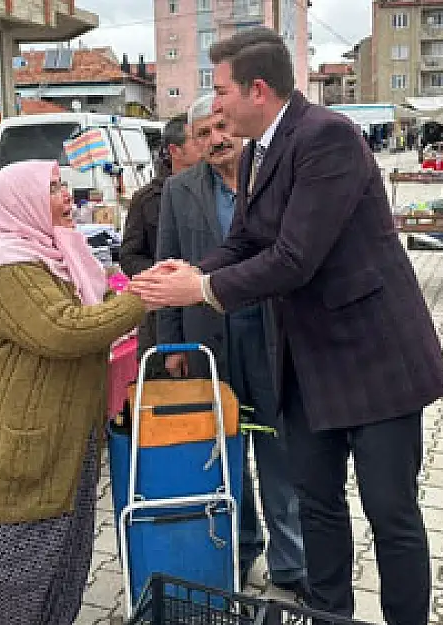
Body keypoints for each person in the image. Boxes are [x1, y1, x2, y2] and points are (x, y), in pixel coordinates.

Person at [130, 27, 443, 623]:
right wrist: (193, 268)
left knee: (391, 513)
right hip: (305, 362)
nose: (215, 106)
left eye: (221, 91)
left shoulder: (328, 137)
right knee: (316, 504)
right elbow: (248, 239)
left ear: (257, 89)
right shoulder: (257, 152)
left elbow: (295, 258)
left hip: (373, 359)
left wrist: (200, 288)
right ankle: (330, 614)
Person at [0, 160, 148, 625]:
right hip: (11, 444)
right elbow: (64, 329)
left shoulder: (53, 258)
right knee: (8, 576)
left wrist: (132, 292)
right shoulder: (10, 268)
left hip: (50, 438)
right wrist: (144, 298)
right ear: (22, 203)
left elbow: (84, 309)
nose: (67, 196)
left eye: (63, 186)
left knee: (53, 564)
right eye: (52, 189)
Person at [155, 94, 307, 596]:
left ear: (240, 126)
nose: (216, 139)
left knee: (280, 450)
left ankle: (291, 563)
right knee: (222, 451)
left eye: (222, 126)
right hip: (208, 342)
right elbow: (166, 264)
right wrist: (172, 345)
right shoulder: (178, 191)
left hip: (273, 335)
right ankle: (239, 552)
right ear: (192, 142)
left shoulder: (275, 180)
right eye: (203, 133)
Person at [120, 114, 201, 376]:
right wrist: (163, 275)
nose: (204, 143)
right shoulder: (147, 199)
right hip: (161, 317)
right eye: (195, 138)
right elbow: (129, 255)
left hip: (204, 307)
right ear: (175, 150)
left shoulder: (213, 190)